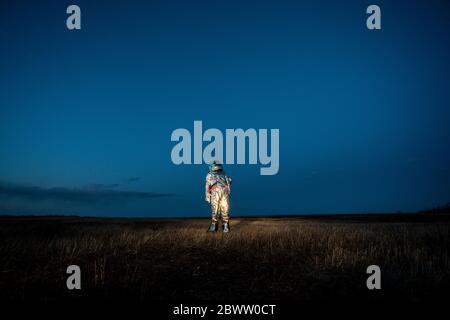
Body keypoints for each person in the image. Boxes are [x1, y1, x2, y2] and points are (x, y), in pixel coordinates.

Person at [205, 161, 232, 232]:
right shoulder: (210, 174)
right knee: (217, 209)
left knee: (224, 208)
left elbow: (207, 186)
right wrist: (207, 196)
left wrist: (207, 196)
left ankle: (223, 226)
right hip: (218, 191)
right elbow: (207, 185)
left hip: (220, 191)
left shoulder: (223, 174)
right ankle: (216, 225)